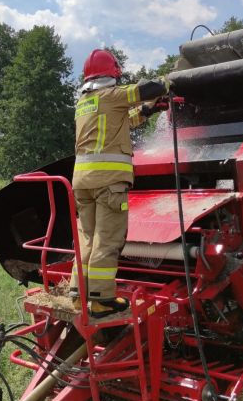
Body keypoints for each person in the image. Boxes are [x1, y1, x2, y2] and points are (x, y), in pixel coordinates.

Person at [70, 49, 169, 319]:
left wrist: (147, 111)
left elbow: (123, 121)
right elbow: (146, 89)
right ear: (112, 72)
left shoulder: (85, 102)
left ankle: (79, 295)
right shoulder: (112, 95)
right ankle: (102, 300)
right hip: (108, 183)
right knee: (108, 240)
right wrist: (168, 81)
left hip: (82, 181)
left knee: (87, 238)